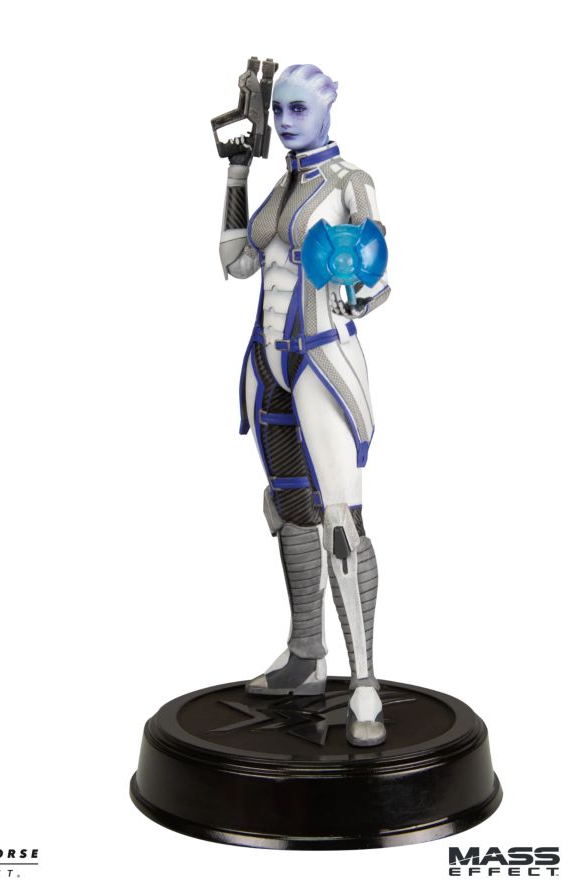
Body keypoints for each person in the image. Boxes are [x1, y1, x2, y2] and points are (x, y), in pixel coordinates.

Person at [219, 63, 391, 747]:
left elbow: (376, 272)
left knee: (342, 518)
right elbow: (236, 262)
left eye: (298, 109)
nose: (286, 121)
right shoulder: (281, 184)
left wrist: (357, 290)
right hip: (267, 362)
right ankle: (306, 656)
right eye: (279, 110)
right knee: (291, 507)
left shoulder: (350, 183)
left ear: (326, 109)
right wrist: (236, 174)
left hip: (321, 359)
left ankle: (366, 683)